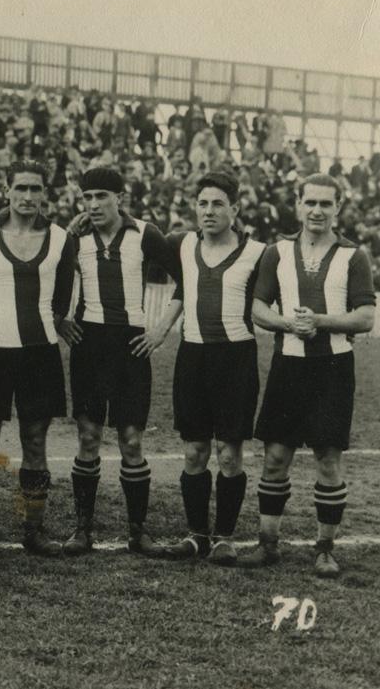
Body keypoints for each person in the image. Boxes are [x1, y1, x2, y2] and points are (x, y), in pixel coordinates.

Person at [239, 173, 375, 577]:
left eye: (326, 204)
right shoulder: (277, 252)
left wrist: (321, 321)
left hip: (333, 368)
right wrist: (287, 324)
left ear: (338, 208)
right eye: (310, 202)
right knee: (276, 455)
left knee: (328, 459)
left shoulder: (354, 256)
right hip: (289, 366)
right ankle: (268, 544)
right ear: (298, 205)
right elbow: (258, 308)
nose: (317, 210)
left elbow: (366, 316)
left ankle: (325, 548)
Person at [0, 161, 77, 556]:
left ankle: (33, 528)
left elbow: (60, 303)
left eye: (35, 189)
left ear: (45, 192)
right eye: (20, 188)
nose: (28, 197)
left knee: (35, 440)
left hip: (40, 354)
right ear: (6, 190)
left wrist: (46, 326)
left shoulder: (60, 238)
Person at [58, 166, 180, 556]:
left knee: (131, 440)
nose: (93, 205)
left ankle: (137, 531)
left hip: (131, 346)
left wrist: (160, 330)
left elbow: (185, 279)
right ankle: (82, 529)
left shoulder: (145, 234)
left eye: (101, 197)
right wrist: (60, 319)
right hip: (89, 344)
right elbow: (47, 279)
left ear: (119, 199)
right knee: (89, 436)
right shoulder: (74, 237)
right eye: (87, 197)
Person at [148, 172, 266, 565]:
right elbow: (139, 237)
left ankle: (225, 538)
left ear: (235, 208)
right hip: (193, 357)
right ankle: (197, 534)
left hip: (236, 359)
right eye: (203, 203)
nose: (209, 211)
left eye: (218, 204)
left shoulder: (259, 253)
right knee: (195, 451)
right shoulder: (182, 245)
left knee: (229, 455)